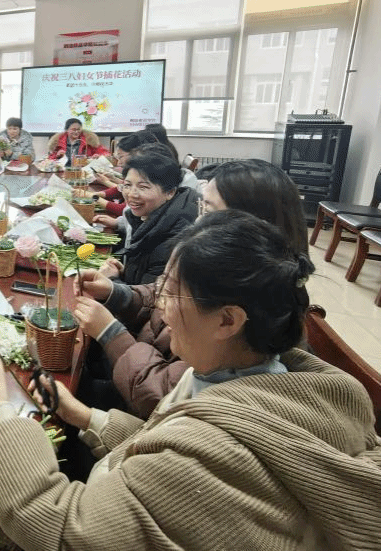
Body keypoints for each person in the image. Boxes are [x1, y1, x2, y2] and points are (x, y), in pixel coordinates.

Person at [0, 210, 381, 551]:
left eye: (172, 291)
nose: (159, 304)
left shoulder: (213, 457)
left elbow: (60, 528)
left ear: (227, 320)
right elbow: (165, 438)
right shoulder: (261, 376)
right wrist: (82, 415)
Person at [76, 159, 311, 418]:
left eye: (209, 210)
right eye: (202, 206)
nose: (198, 220)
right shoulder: (220, 268)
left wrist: (111, 333)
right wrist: (114, 291)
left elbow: (164, 397)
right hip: (142, 366)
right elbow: (161, 292)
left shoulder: (253, 312)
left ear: (250, 226)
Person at [93, 149, 198, 285]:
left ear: (170, 192)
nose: (131, 194)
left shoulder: (172, 241)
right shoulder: (148, 216)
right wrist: (124, 272)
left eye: (143, 187)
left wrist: (113, 280)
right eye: (127, 185)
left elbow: (153, 296)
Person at [83, 130, 158, 216]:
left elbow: (126, 210)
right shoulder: (142, 170)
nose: (119, 163)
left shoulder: (148, 174)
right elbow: (121, 189)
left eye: (120, 157)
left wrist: (95, 197)